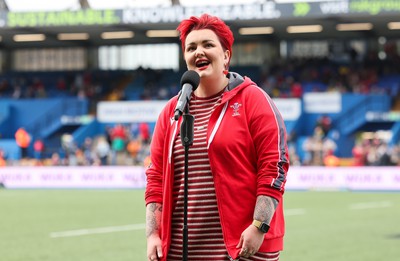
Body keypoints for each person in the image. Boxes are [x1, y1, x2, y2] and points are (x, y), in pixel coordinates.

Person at [145, 14, 289, 261]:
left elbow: (274, 167)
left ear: (226, 55)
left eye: (208, 45)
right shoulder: (172, 111)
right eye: (191, 48)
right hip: (180, 250)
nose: (198, 52)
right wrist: (153, 235)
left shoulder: (253, 100)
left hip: (243, 247)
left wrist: (259, 226)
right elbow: (155, 177)